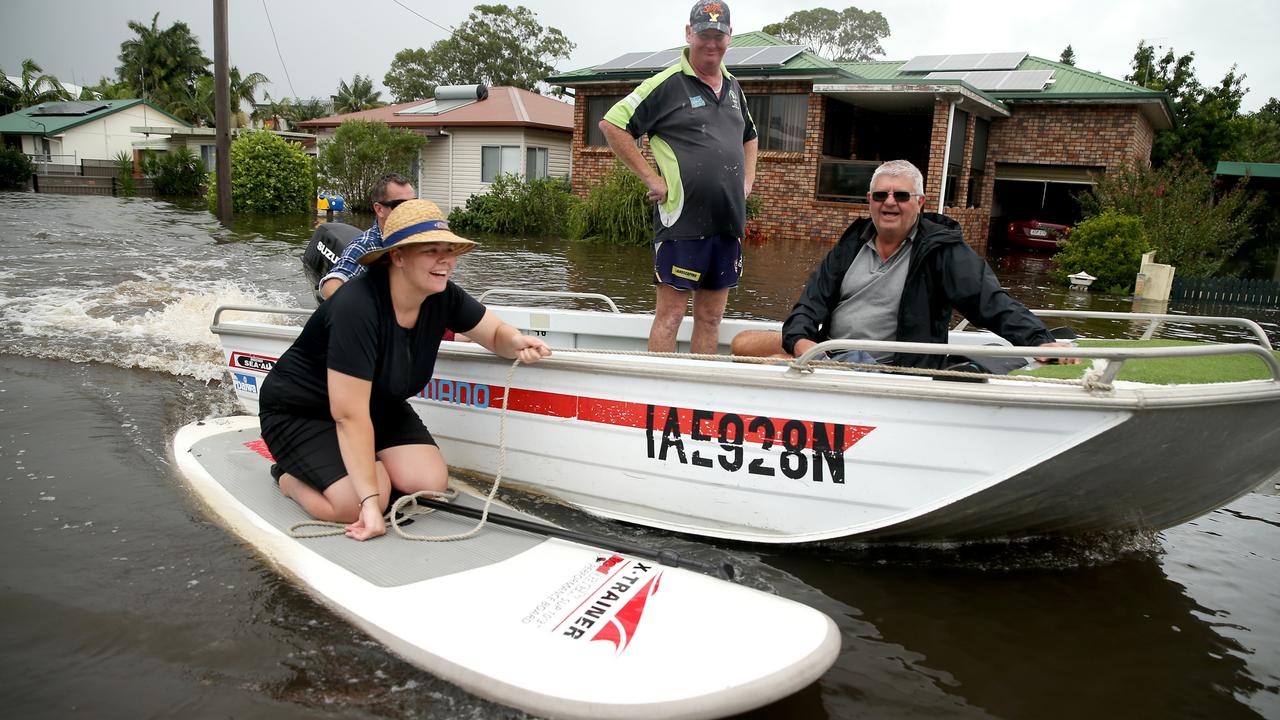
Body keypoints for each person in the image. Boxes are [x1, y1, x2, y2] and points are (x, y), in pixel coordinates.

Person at [259, 199, 551, 541]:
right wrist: (370, 503)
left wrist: (516, 341)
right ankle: (288, 477)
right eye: (431, 251)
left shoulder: (443, 295)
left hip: (378, 405)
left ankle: (360, 466)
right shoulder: (358, 307)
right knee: (358, 502)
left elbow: (495, 334)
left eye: (449, 250)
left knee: (429, 485)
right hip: (302, 412)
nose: (445, 260)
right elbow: (348, 416)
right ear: (397, 257)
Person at [731, 159, 1076, 369]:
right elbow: (808, 305)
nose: (889, 203)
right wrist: (806, 347)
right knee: (742, 343)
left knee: (774, 364)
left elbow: (990, 301)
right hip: (830, 353)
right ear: (869, 200)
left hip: (883, 368)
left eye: (901, 195)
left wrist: (1037, 340)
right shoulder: (852, 243)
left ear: (921, 202)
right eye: (881, 195)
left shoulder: (941, 250)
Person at [598, 0, 758, 354]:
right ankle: (661, 400)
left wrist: (747, 182)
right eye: (704, 35)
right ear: (689, 34)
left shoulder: (734, 88)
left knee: (711, 318)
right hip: (682, 222)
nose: (711, 43)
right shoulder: (667, 83)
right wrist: (651, 179)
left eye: (719, 35)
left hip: (728, 222)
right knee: (670, 316)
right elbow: (612, 124)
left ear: (730, 36)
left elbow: (750, 136)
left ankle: (698, 399)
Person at [318, 173, 416, 300]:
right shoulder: (365, 246)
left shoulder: (423, 238)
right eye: (400, 205)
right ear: (379, 209)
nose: (410, 211)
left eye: (413, 204)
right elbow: (332, 285)